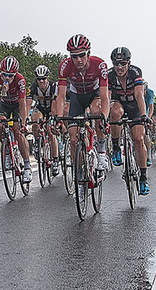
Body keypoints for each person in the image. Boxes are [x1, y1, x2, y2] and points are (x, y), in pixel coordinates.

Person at [54, 34, 109, 200]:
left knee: (96, 110)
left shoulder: (99, 65)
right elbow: (61, 97)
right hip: (77, 97)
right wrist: (58, 118)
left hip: (94, 95)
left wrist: (104, 118)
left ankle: (101, 150)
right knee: (73, 138)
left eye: (81, 55)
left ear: (88, 53)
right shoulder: (65, 66)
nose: (78, 59)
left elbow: (105, 96)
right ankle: (79, 179)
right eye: (74, 56)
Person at [107, 47, 150, 195]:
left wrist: (143, 114)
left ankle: (143, 177)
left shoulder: (135, 72)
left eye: (123, 63)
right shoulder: (109, 75)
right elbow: (107, 96)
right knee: (115, 112)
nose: (119, 67)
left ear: (129, 63)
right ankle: (116, 148)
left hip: (134, 107)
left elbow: (139, 95)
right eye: (116, 63)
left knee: (138, 139)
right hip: (118, 104)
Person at [0, 56, 32, 182]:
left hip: (16, 105)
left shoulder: (20, 80)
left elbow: (22, 103)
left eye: (10, 75)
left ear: (16, 74)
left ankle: (27, 165)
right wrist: (0, 93)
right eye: (4, 75)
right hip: (4, 104)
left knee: (17, 131)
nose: (7, 78)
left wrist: (23, 122)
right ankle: (7, 148)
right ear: (0, 73)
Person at [27, 65, 60, 176]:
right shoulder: (33, 87)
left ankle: (55, 161)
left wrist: (53, 118)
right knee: (35, 122)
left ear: (47, 78)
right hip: (40, 108)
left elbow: (56, 103)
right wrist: (26, 117)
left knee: (50, 132)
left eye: (43, 79)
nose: (41, 81)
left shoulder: (53, 86)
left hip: (52, 109)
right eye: (39, 79)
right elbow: (28, 102)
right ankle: (37, 143)